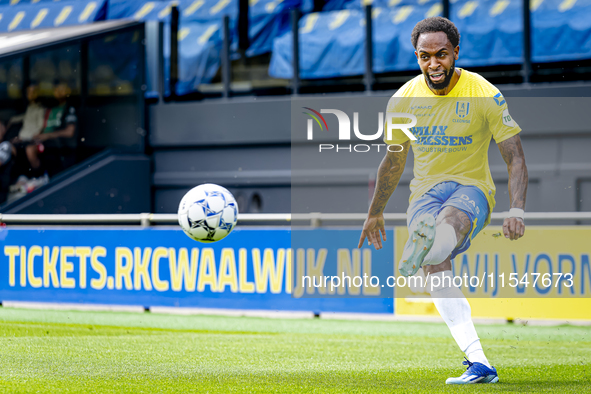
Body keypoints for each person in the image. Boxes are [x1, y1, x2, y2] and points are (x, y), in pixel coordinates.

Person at [358, 17, 527, 385]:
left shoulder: (483, 94)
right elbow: (393, 160)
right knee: (436, 266)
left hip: (472, 188)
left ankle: (428, 243)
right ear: (416, 57)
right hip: (424, 193)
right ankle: (479, 362)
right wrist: (375, 212)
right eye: (424, 57)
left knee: (447, 224)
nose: (433, 64)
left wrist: (516, 209)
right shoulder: (402, 100)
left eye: (441, 55)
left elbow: (514, 156)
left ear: (455, 53)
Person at [26, 81, 77, 177]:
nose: (59, 92)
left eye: (61, 89)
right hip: (46, 147)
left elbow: (70, 132)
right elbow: (42, 128)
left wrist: (48, 135)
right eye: (56, 89)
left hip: (62, 149)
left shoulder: (69, 108)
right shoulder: (50, 109)